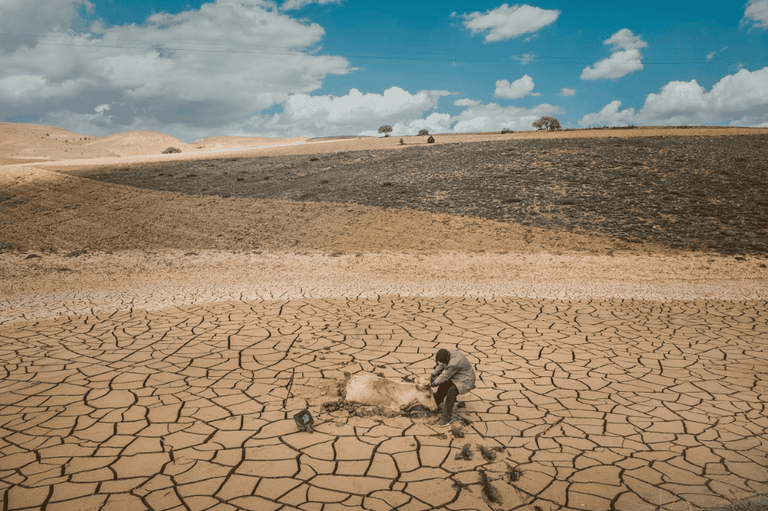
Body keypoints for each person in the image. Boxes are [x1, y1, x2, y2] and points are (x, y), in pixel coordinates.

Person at [430, 348, 476, 427]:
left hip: (465, 380)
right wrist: (433, 375)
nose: (442, 363)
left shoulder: (454, 363)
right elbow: (441, 365)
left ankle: (447, 419)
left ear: (447, 358)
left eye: (443, 361)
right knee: (442, 387)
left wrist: (433, 383)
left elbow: (445, 377)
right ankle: (435, 403)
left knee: (450, 393)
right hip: (457, 376)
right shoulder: (448, 353)